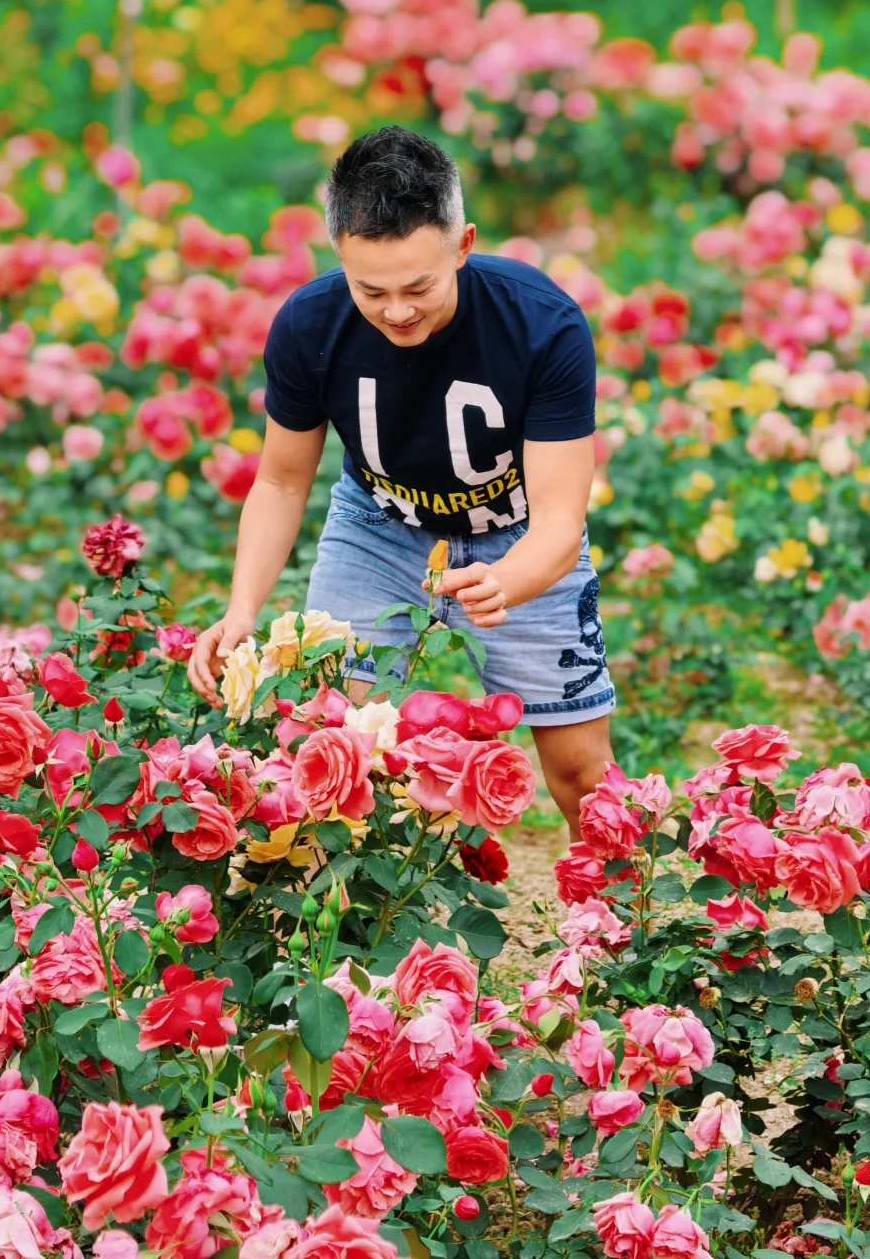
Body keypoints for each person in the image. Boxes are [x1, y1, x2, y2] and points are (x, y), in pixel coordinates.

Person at [188, 125, 614, 837]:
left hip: (517, 534)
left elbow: (559, 524)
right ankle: (341, 935)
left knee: (581, 773)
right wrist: (241, 608)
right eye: (371, 290)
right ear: (339, 258)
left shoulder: (543, 327)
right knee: (337, 747)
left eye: (419, 286)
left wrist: (507, 581)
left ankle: (617, 936)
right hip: (378, 531)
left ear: (464, 244)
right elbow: (282, 482)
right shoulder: (307, 326)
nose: (397, 311)